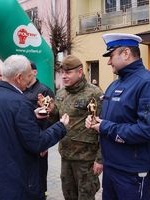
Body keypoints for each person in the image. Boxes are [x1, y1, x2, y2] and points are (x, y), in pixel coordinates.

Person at [85, 33, 150, 200]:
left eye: (111, 56)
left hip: (133, 172)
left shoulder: (148, 84)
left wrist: (105, 127)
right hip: (112, 167)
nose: (108, 62)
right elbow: (113, 119)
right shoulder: (115, 84)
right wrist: (96, 121)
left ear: (126, 53)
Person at [0, 55, 69, 200]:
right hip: (16, 182)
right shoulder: (20, 102)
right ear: (19, 77)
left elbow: (4, 127)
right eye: (28, 76)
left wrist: (31, 117)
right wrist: (60, 126)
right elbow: (37, 143)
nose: (30, 80)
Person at [48, 55, 103, 200]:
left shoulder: (95, 93)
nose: (64, 76)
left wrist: (100, 159)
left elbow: (103, 127)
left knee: (86, 196)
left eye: (68, 72)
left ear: (80, 72)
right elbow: (57, 121)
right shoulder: (60, 93)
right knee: (69, 196)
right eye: (62, 72)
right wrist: (51, 111)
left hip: (86, 159)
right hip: (66, 156)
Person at [23, 62, 55, 199]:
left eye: (27, 71)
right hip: (25, 139)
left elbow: (50, 118)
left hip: (39, 139)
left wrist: (45, 143)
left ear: (35, 72)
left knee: (40, 173)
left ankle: (42, 194)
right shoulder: (21, 90)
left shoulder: (44, 90)